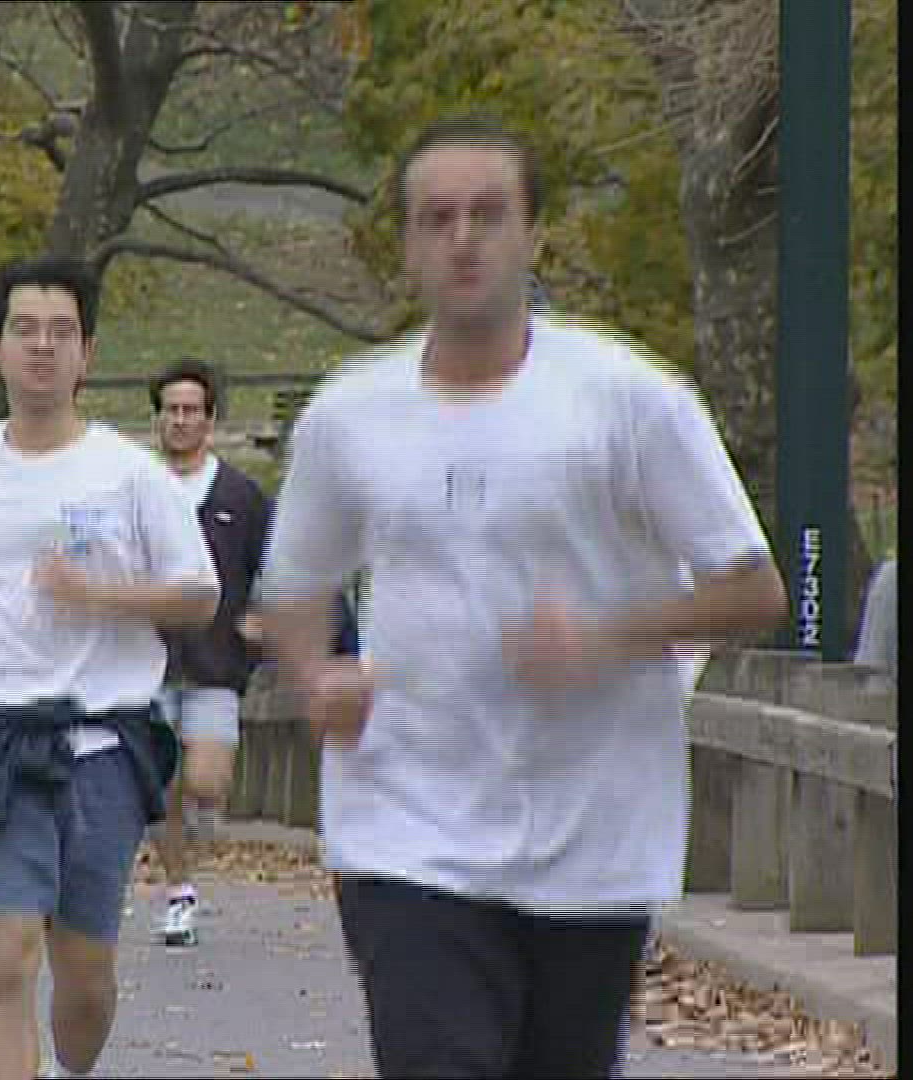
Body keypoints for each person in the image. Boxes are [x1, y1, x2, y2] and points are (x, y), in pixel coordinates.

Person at [259, 115, 789, 1079]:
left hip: (591, 832)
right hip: (405, 823)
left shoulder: (630, 401)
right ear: (408, 247)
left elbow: (753, 588)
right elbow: (296, 581)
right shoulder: (351, 416)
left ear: (533, 234)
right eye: (437, 218)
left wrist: (606, 635)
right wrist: (315, 673)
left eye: (489, 214)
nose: (464, 238)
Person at [0, 254, 219, 1080]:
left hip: (103, 743)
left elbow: (200, 594)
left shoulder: (130, 474)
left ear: (87, 354)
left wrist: (101, 594)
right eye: (24, 329)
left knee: (84, 978)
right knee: (8, 953)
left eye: (61, 332)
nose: (41, 346)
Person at [146, 359, 270, 946]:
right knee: (158, 782)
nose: (180, 420)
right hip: (144, 662)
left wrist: (262, 616)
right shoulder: (138, 488)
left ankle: (194, 831)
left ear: (210, 420)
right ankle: (180, 891)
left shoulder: (239, 495)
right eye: (171, 410)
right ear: (158, 419)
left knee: (205, 782)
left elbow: (272, 565)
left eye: (191, 410)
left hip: (216, 664)